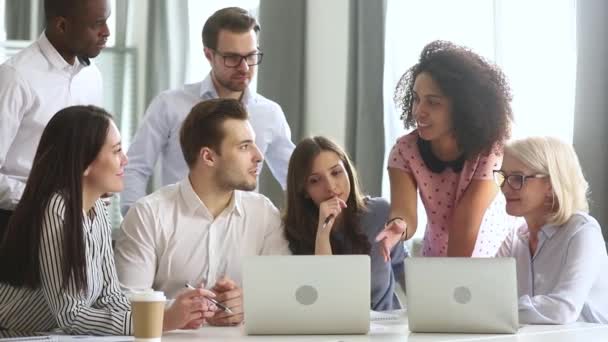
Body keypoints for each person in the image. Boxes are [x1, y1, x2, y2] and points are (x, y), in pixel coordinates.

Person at [0, 106, 214, 335]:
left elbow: (110, 297)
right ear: (84, 161)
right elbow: (72, 316)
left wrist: (170, 313)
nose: (125, 159)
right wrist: (161, 322)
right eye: (116, 151)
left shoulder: (97, 209)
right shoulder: (57, 210)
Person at [115, 98, 291, 326]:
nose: (259, 156)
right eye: (244, 146)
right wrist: (176, 311)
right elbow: (125, 303)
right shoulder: (148, 215)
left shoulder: (264, 213)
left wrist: (248, 302)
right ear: (208, 157)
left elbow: (285, 290)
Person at [120, 7, 295, 215]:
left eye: (251, 56)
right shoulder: (169, 105)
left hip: (243, 234)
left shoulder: (270, 114)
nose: (245, 68)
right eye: (232, 58)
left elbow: (295, 178)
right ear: (208, 55)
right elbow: (135, 168)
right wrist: (136, 222)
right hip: (178, 233)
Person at [376, 40, 517, 259]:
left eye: (433, 103)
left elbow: (466, 220)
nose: (419, 111)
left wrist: (451, 279)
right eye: (416, 99)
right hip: (437, 260)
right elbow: (405, 213)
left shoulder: (490, 151)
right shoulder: (404, 150)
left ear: (462, 107)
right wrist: (398, 227)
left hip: (492, 264)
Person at [0, 0, 111, 232]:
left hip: (77, 224)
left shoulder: (92, 77)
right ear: (61, 25)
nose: (106, 32)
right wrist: (51, 200)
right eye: (97, 24)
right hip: (19, 225)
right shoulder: (15, 77)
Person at [283, 136, 407, 311]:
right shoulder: (292, 232)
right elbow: (321, 300)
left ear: (347, 171)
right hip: (332, 331)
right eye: (315, 180)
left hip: (385, 328)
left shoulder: (380, 212)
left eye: (335, 172)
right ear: (304, 191)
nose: (330, 186)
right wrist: (323, 234)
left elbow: (402, 267)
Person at [495, 136, 608, 324]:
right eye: (503, 177)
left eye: (517, 178)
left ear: (551, 184)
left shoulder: (582, 232)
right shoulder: (515, 238)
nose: (505, 187)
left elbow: (563, 310)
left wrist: (496, 309)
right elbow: (483, 296)